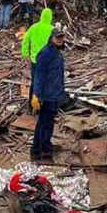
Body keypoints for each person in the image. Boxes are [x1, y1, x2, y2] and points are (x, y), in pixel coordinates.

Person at [31, 26, 66, 162]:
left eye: (62, 37)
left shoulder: (57, 52)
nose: (60, 40)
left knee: (47, 124)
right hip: (47, 95)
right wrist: (36, 95)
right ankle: (41, 151)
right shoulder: (45, 53)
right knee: (44, 124)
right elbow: (39, 76)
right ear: (51, 38)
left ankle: (42, 148)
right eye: (58, 37)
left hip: (54, 94)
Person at [21, 8, 54, 93]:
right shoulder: (53, 30)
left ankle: (33, 102)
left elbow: (25, 40)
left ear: (41, 16)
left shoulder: (33, 27)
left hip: (35, 60)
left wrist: (25, 54)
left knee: (35, 82)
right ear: (50, 17)